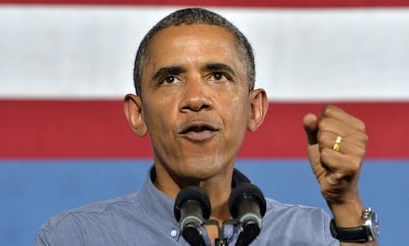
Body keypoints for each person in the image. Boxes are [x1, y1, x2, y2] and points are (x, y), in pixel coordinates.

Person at [35, 8, 379, 246]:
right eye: (170, 79)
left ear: (253, 109)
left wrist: (346, 204)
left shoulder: (314, 234)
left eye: (218, 76)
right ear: (137, 114)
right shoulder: (74, 237)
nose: (196, 99)